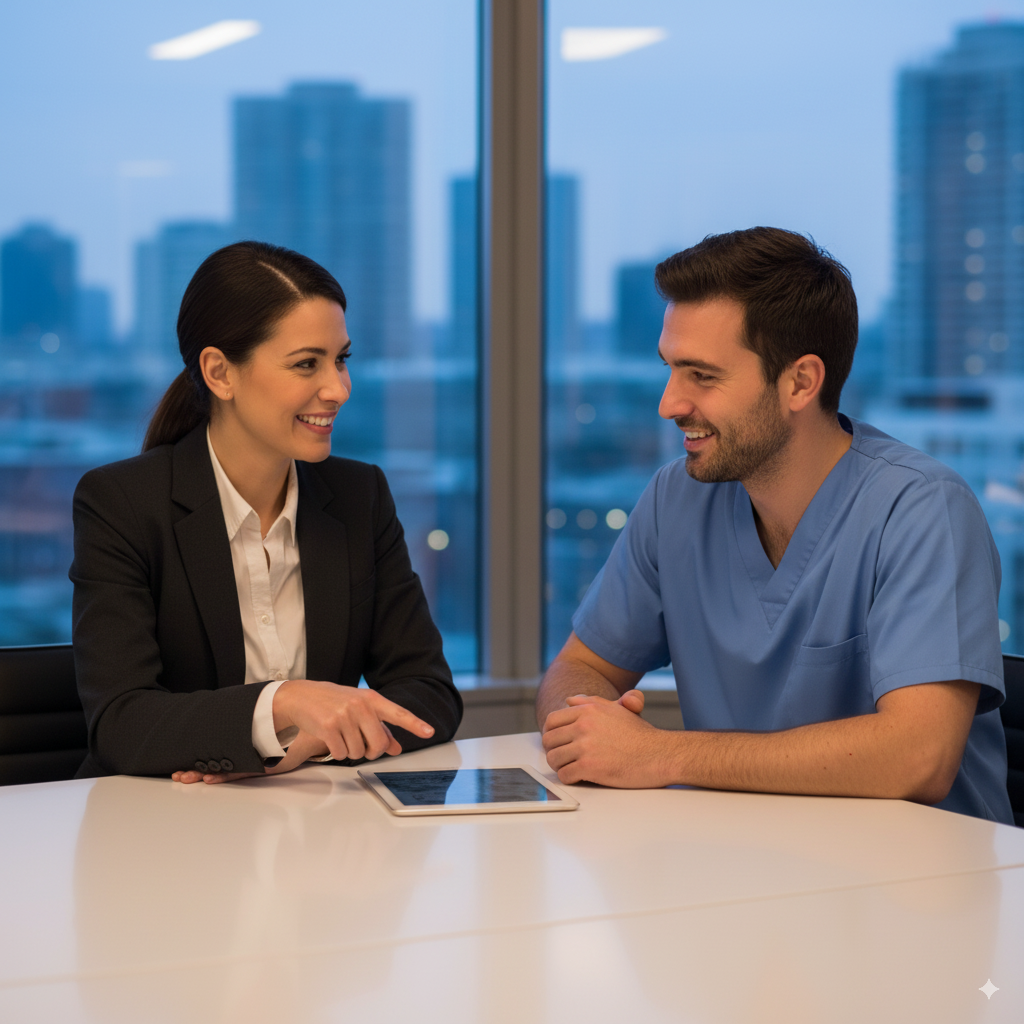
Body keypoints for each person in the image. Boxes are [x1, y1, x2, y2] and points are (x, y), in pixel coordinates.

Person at [537, 227, 1013, 823]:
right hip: (751, 867)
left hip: (924, 889)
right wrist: (583, 726)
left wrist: (660, 755)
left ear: (800, 382)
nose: (669, 404)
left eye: (702, 376)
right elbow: (581, 666)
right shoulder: (675, 498)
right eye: (670, 369)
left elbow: (918, 757)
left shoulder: (921, 509)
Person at [71, 241, 461, 783]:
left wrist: (305, 746)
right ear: (220, 373)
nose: (339, 389)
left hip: (316, 828)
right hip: (164, 831)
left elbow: (430, 695)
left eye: (341, 359)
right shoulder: (123, 504)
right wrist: (283, 704)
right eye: (307, 364)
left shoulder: (358, 496)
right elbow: (120, 723)